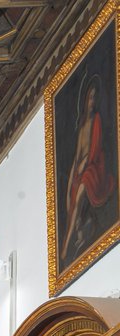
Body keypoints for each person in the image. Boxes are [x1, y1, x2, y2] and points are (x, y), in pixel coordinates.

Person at [60, 77, 117, 264]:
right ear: (85, 101)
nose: (92, 101)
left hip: (94, 167)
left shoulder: (97, 120)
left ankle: (66, 245)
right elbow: (77, 156)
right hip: (81, 169)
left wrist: (85, 163)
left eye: (94, 97)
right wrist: (69, 184)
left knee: (81, 191)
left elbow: (95, 149)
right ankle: (77, 234)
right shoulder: (83, 125)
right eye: (89, 97)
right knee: (72, 201)